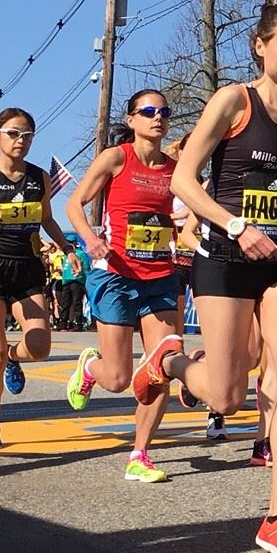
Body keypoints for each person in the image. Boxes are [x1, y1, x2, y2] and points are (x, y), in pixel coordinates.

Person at [148, 0, 277, 553]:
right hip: (224, 256)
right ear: (260, 47)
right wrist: (236, 224)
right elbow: (183, 180)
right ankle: (170, 361)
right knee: (225, 396)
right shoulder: (234, 101)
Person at [63, 91, 185, 482]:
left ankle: (140, 454)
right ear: (131, 120)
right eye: (148, 112)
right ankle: (89, 366)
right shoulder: (117, 158)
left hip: (160, 275)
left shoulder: (174, 167)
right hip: (114, 272)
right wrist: (89, 238)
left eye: (164, 112)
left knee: (160, 366)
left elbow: (190, 205)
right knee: (117, 379)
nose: (158, 118)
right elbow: (74, 203)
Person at [0, 107, 71, 451]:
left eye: (27, 135)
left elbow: (47, 219)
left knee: (40, 348)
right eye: (13, 133)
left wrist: (67, 246)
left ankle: (16, 356)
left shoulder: (38, 177)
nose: (21, 141)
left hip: (27, 268)